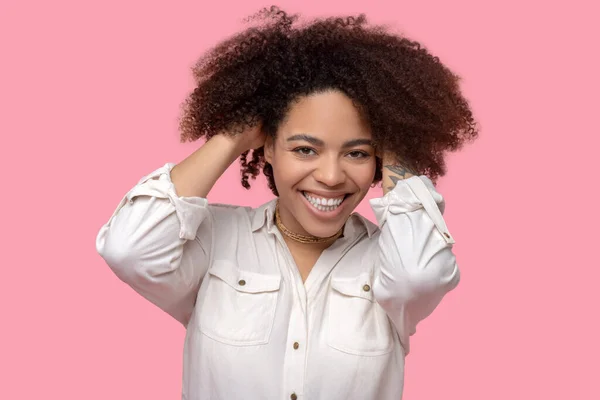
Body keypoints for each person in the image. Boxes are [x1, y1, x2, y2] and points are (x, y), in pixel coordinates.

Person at [96, 6, 478, 400]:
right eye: (305, 149)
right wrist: (232, 136)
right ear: (268, 147)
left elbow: (422, 275)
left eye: (358, 154)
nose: (331, 176)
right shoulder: (212, 243)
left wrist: (397, 134)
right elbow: (129, 248)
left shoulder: (392, 261)